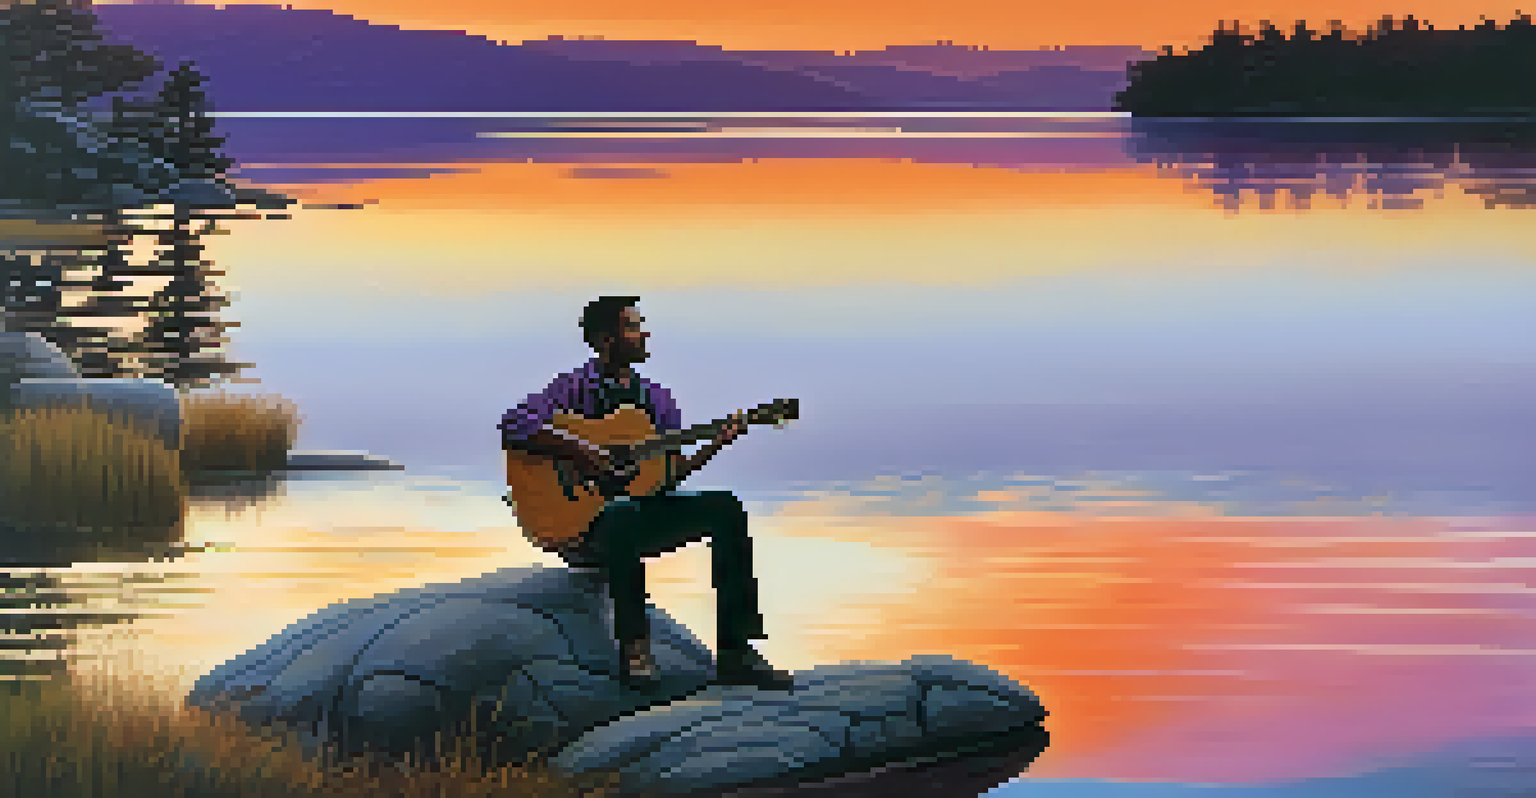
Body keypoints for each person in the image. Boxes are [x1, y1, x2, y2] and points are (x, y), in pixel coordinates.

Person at [499, 295, 794, 692]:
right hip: (583, 527)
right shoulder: (572, 388)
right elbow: (514, 424)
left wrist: (717, 443)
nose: (644, 334)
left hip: (633, 519)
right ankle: (635, 649)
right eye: (633, 328)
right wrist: (584, 451)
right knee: (623, 511)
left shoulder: (657, 398)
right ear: (606, 340)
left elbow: (665, 478)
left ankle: (737, 652)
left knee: (724, 507)